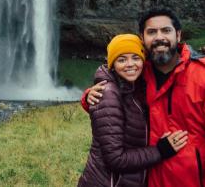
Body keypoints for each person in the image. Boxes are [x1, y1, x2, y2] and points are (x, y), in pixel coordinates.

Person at [82, 9, 205, 187]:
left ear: (178, 35)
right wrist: (89, 96)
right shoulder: (138, 71)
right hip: (150, 179)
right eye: (151, 32)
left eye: (166, 30)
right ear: (142, 38)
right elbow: (114, 93)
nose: (159, 37)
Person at [78, 34, 188, 187]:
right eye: (121, 60)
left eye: (136, 58)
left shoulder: (137, 87)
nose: (130, 64)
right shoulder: (108, 93)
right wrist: (160, 151)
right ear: (112, 64)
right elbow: (116, 159)